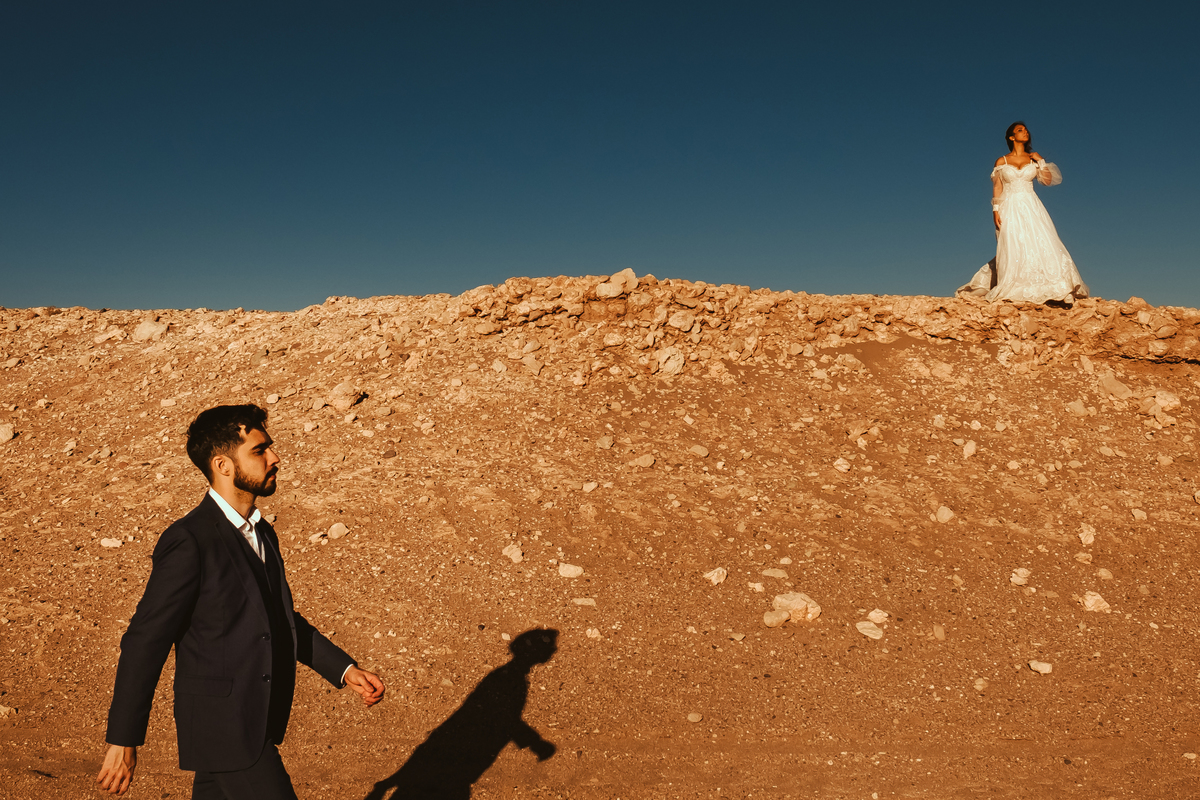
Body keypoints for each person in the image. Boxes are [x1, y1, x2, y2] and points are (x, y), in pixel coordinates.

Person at [96, 404, 385, 799]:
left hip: (251, 723)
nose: (275, 458)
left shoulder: (262, 533)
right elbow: (145, 640)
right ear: (223, 465)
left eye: (270, 447)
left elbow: (278, 620)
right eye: (259, 450)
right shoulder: (189, 540)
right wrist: (123, 739)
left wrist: (344, 669)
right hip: (224, 727)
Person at [958, 121, 1089, 304]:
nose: (1025, 132)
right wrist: (995, 210)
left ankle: (1058, 288)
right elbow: (997, 187)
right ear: (1012, 137)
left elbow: (1047, 180)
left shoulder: (1032, 159)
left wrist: (1040, 160)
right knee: (1014, 243)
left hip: (1031, 204)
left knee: (1043, 241)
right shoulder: (1001, 161)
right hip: (1009, 205)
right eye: (1020, 130)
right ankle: (1015, 285)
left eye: (1026, 130)